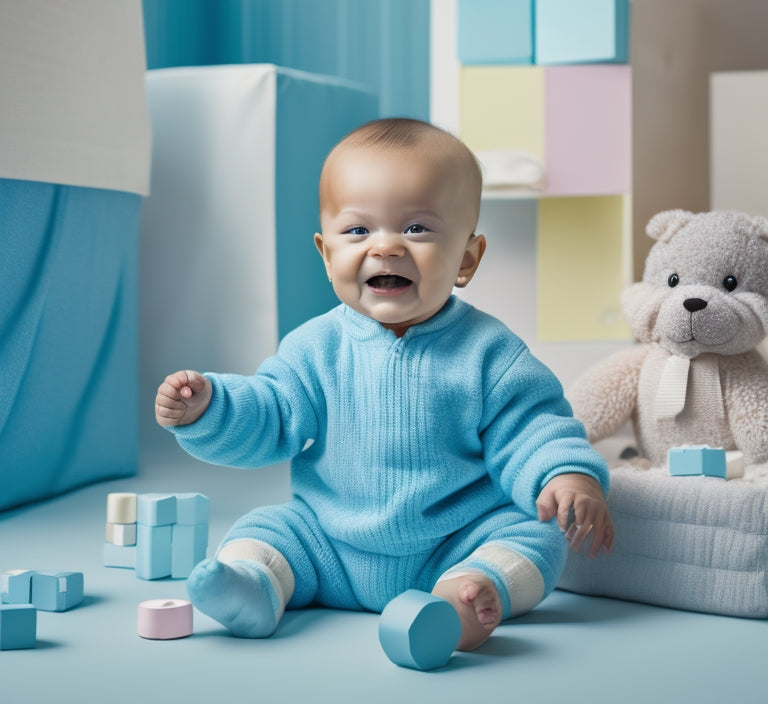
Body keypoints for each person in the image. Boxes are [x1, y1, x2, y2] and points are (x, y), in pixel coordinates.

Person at [155, 117, 613, 652]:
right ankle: (254, 589)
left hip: (455, 542)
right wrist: (212, 408)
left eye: (416, 229)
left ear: (466, 258)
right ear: (327, 255)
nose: (386, 248)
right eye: (358, 231)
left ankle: (466, 598)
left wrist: (566, 476)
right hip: (329, 544)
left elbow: (532, 427)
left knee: (534, 536)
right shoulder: (314, 348)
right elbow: (272, 412)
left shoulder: (491, 353)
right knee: (266, 529)